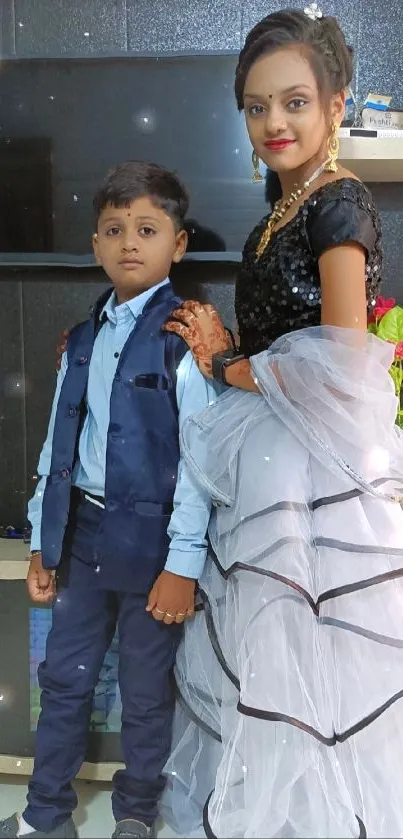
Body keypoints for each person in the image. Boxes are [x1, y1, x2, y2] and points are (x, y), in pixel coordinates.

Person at [161, 7, 403, 838]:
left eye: (294, 102)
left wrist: (228, 363)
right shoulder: (285, 207)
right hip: (273, 464)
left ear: (336, 105)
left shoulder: (337, 204)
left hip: (317, 474)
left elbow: (340, 361)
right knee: (271, 676)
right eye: (258, 106)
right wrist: (227, 357)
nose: (274, 122)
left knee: (313, 674)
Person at [0, 161, 217, 839]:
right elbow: (57, 448)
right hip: (82, 539)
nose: (129, 242)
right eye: (114, 229)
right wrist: (43, 535)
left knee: (148, 692)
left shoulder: (185, 340)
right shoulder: (81, 339)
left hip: (153, 550)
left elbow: (203, 463)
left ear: (176, 245)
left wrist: (182, 563)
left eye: (147, 228)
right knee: (62, 680)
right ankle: (46, 815)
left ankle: (135, 814)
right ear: (94, 245)